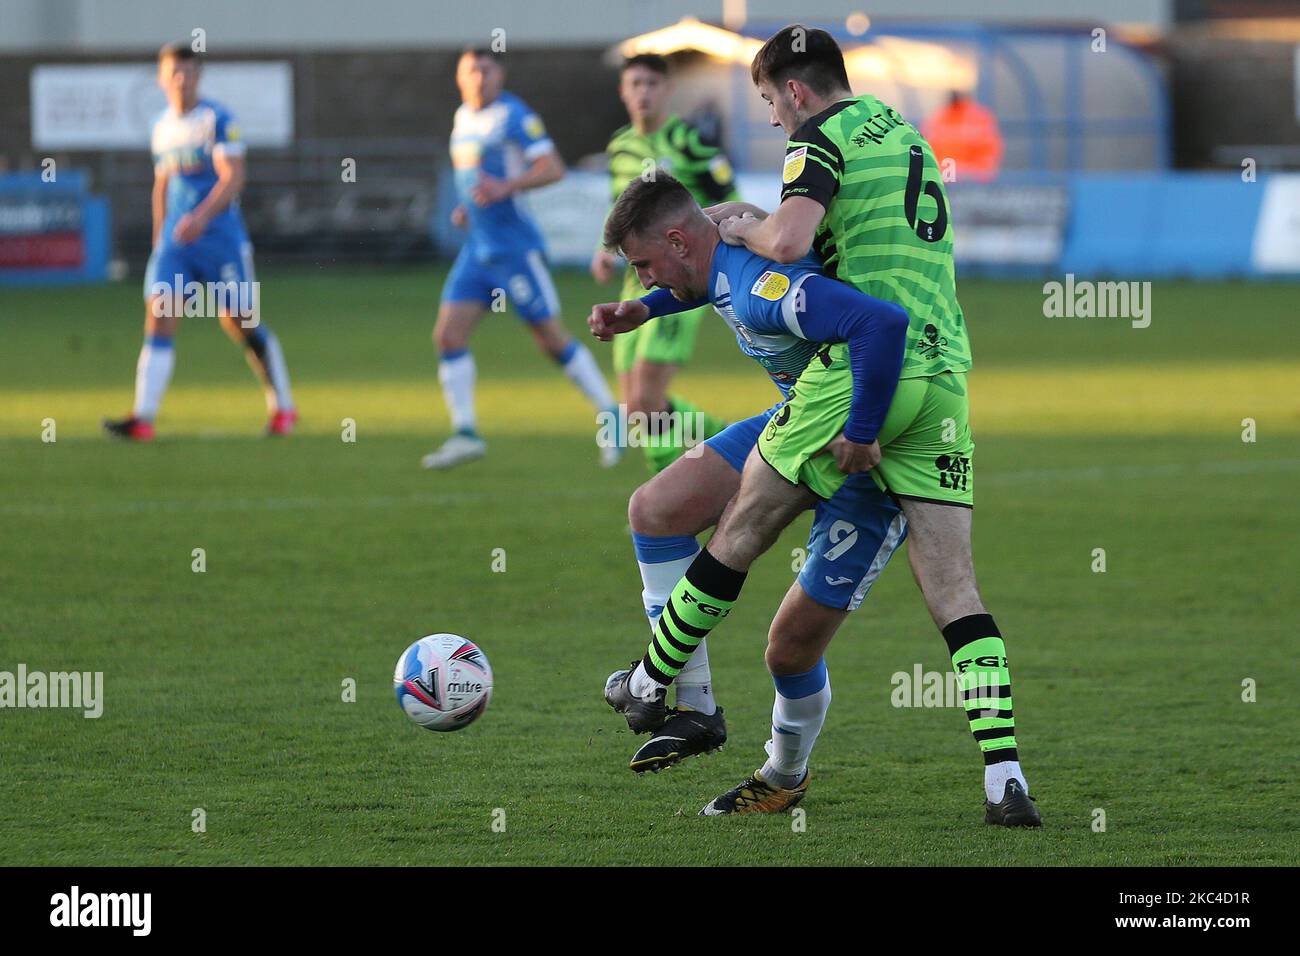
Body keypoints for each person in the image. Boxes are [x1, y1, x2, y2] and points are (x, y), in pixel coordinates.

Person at [606, 26, 1040, 826]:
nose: (772, 119)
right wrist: (651, 299)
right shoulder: (899, 128)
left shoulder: (817, 141)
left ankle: (650, 683)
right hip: (942, 378)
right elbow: (773, 267)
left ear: (796, 92)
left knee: (740, 535)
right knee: (952, 588)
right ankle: (1004, 776)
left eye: (770, 101)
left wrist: (750, 226)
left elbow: (792, 243)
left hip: (861, 376)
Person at [592, 175, 911, 795]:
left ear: (680, 240)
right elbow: (705, 281)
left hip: (858, 450)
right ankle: (696, 706)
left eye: (644, 267)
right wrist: (642, 310)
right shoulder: (720, 256)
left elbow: (877, 323)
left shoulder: (766, 286)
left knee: (789, 650)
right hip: (795, 421)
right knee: (656, 509)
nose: (644, 279)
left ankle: (783, 775)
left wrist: (864, 429)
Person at [422, 48, 617, 470]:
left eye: (486, 70)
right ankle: (466, 433)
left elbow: (553, 169)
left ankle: (610, 415)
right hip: (478, 249)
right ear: (459, 77)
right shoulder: (463, 117)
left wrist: (506, 187)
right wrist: (467, 208)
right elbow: (475, 180)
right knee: (448, 336)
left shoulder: (514, 116)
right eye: (471, 70)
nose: (479, 78)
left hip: (515, 251)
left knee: (550, 338)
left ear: (500, 75)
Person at [104, 42, 296, 441]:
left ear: (199, 76)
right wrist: (161, 236)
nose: (181, 79)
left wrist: (201, 218)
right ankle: (143, 418)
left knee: (240, 322)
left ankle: (283, 407)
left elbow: (234, 176)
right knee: (159, 312)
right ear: (160, 78)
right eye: (174, 72)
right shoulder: (161, 126)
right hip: (177, 244)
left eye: (189, 72)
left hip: (221, 241)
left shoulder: (218, 119)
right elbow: (163, 183)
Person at [593, 54, 735, 473]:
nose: (643, 92)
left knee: (647, 400)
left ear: (667, 90)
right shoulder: (619, 147)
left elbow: (730, 198)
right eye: (635, 83)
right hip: (635, 283)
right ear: (623, 90)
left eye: (652, 84)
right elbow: (618, 213)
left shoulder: (690, 142)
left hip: (680, 284)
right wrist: (604, 252)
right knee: (635, 408)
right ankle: (725, 436)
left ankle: (669, 501)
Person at [922, 90, 1004, 183]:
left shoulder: (979, 118)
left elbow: (989, 150)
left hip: (975, 181)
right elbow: (927, 150)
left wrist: (977, 172)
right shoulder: (938, 118)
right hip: (945, 181)